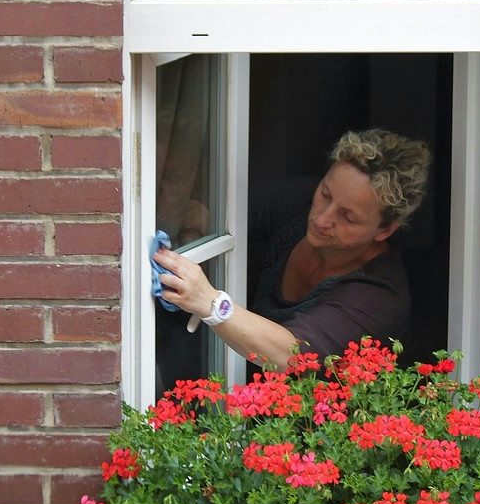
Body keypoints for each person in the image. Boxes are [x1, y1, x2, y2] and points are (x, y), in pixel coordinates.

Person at [153, 129, 431, 369]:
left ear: (384, 231)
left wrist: (211, 303)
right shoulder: (301, 203)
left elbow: (292, 355)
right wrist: (187, 239)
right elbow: (205, 212)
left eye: (348, 217)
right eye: (325, 194)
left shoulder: (379, 298)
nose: (322, 219)